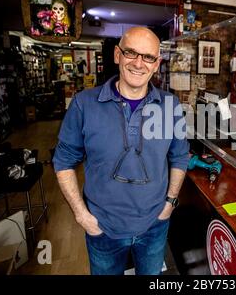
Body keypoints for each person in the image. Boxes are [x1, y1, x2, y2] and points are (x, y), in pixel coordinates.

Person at [53, 27, 189, 275]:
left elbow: (180, 156)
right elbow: (63, 161)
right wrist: (82, 215)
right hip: (102, 228)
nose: (139, 63)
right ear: (117, 55)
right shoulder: (84, 103)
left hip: (154, 225)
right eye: (131, 53)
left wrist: (169, 203)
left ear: (157, 64)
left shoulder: (171, 105)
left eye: (148, 57)